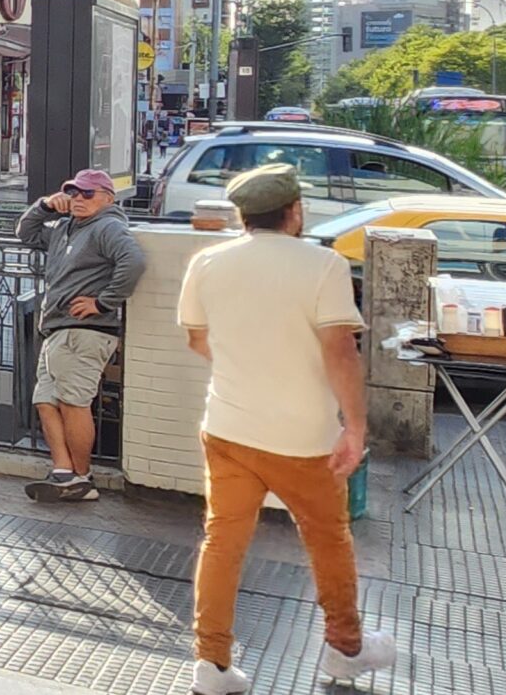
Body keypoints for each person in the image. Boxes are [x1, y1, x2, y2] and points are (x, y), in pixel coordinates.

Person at [178, 164, 395, 694]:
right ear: (294, 212)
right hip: (303, 436)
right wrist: (356, 427)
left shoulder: (207, 263)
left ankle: (212, 663)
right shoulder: (323, 266)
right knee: (327, 539)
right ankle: (345, 648)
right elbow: (341, 351)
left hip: (227, 427)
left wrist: (246, 367)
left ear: (242, 215)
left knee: (222, 541)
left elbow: (197, 340)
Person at [14, 167, 143, 503]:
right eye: (73, 193)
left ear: (108, 199)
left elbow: (133, 261)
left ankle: (82, 478)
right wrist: (45, 205)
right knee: (45, 401)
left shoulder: (107, 226)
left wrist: (102, 302)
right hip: (58, 329)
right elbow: (26, 232)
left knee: (73, 403)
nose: (78, 199)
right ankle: (64, 472)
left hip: (83, 331)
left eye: (88, 194)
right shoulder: (65, 227)